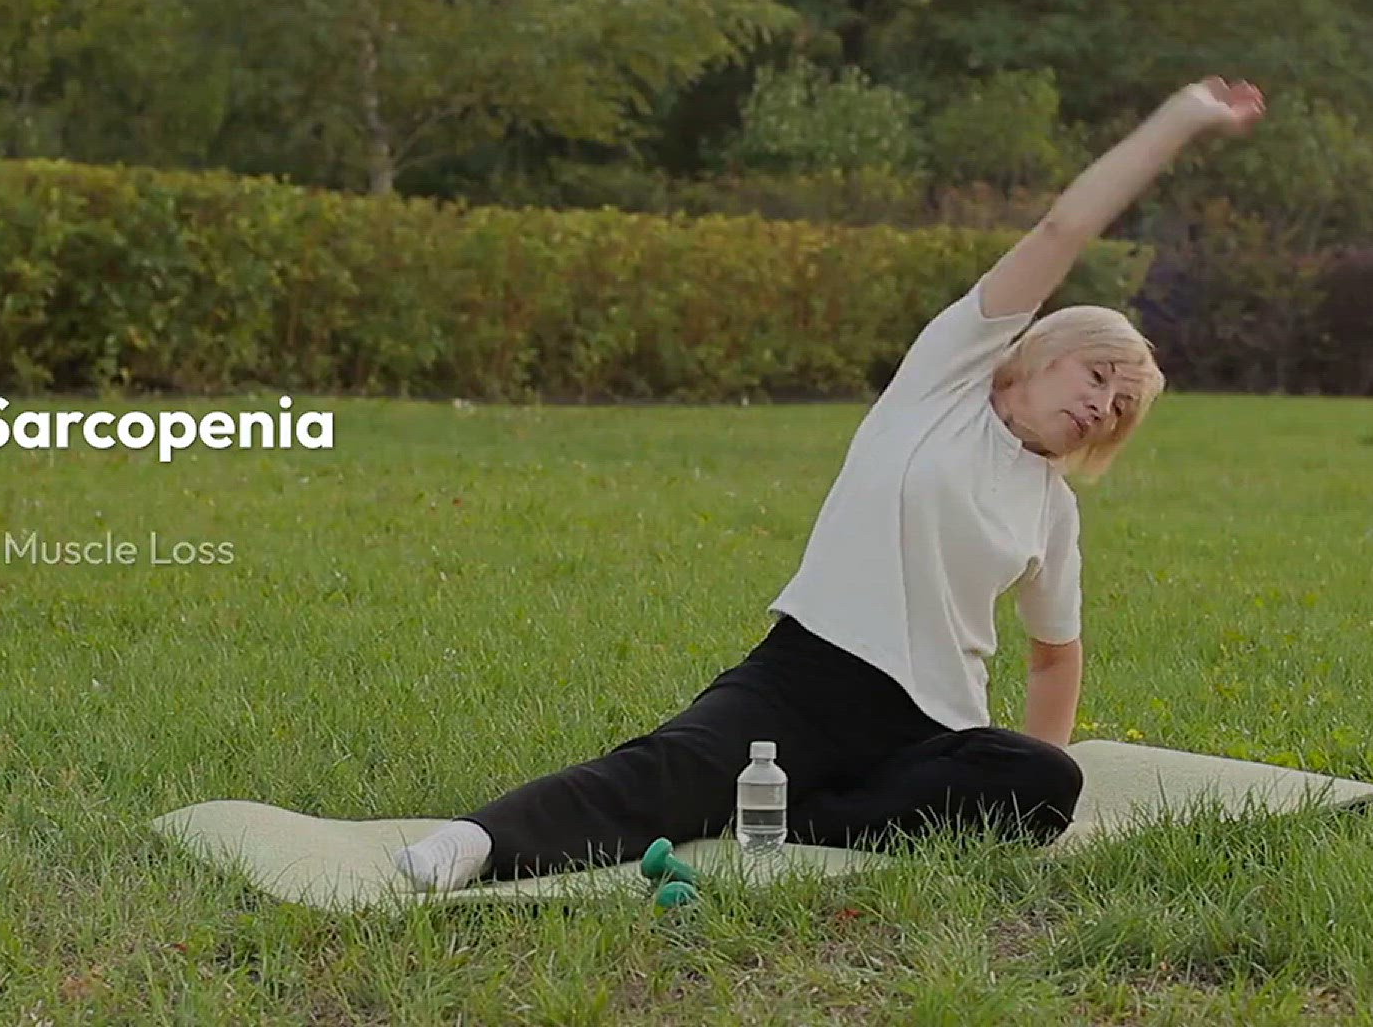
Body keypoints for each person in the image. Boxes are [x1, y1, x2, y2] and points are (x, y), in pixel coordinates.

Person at [395, 76, 1266, 892]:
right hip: (806, 682)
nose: (1103, 405)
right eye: (1098, 375)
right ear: (1041, 353)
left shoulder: (1053, 507)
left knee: (1044, 781)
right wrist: (1180, 120)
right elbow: (1060, 232)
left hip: (933, 731)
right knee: (669, 772)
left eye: (1121, 405)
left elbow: (1055, 654)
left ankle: (798, 819)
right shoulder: (944, 381)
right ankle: (477, 843)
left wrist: (1037, 762)